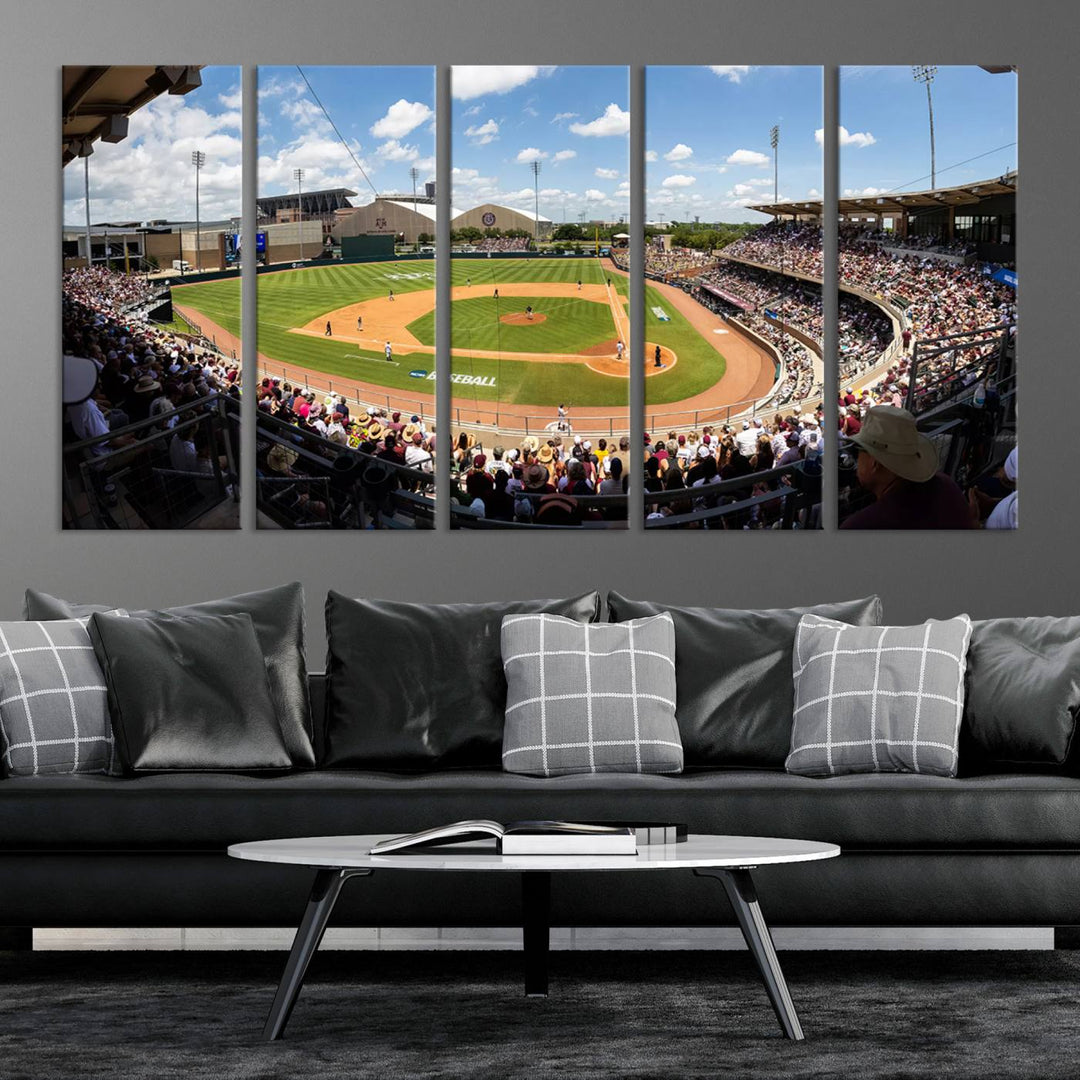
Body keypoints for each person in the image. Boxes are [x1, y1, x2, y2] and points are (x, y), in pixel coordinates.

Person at [840, 406, 974, 530]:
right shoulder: (946, 484)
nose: (857, 459)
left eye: (858, 451)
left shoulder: (860, 527)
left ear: (875, 463)